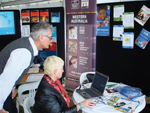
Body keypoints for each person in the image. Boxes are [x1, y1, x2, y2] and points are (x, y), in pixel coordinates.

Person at [0, 22, 54, 113]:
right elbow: (5, 80)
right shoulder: (24, 53)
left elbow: (11, 73)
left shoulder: (27, 44)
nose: (51, 40)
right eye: (50, 37)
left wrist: (12, 86)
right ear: (41, 37)